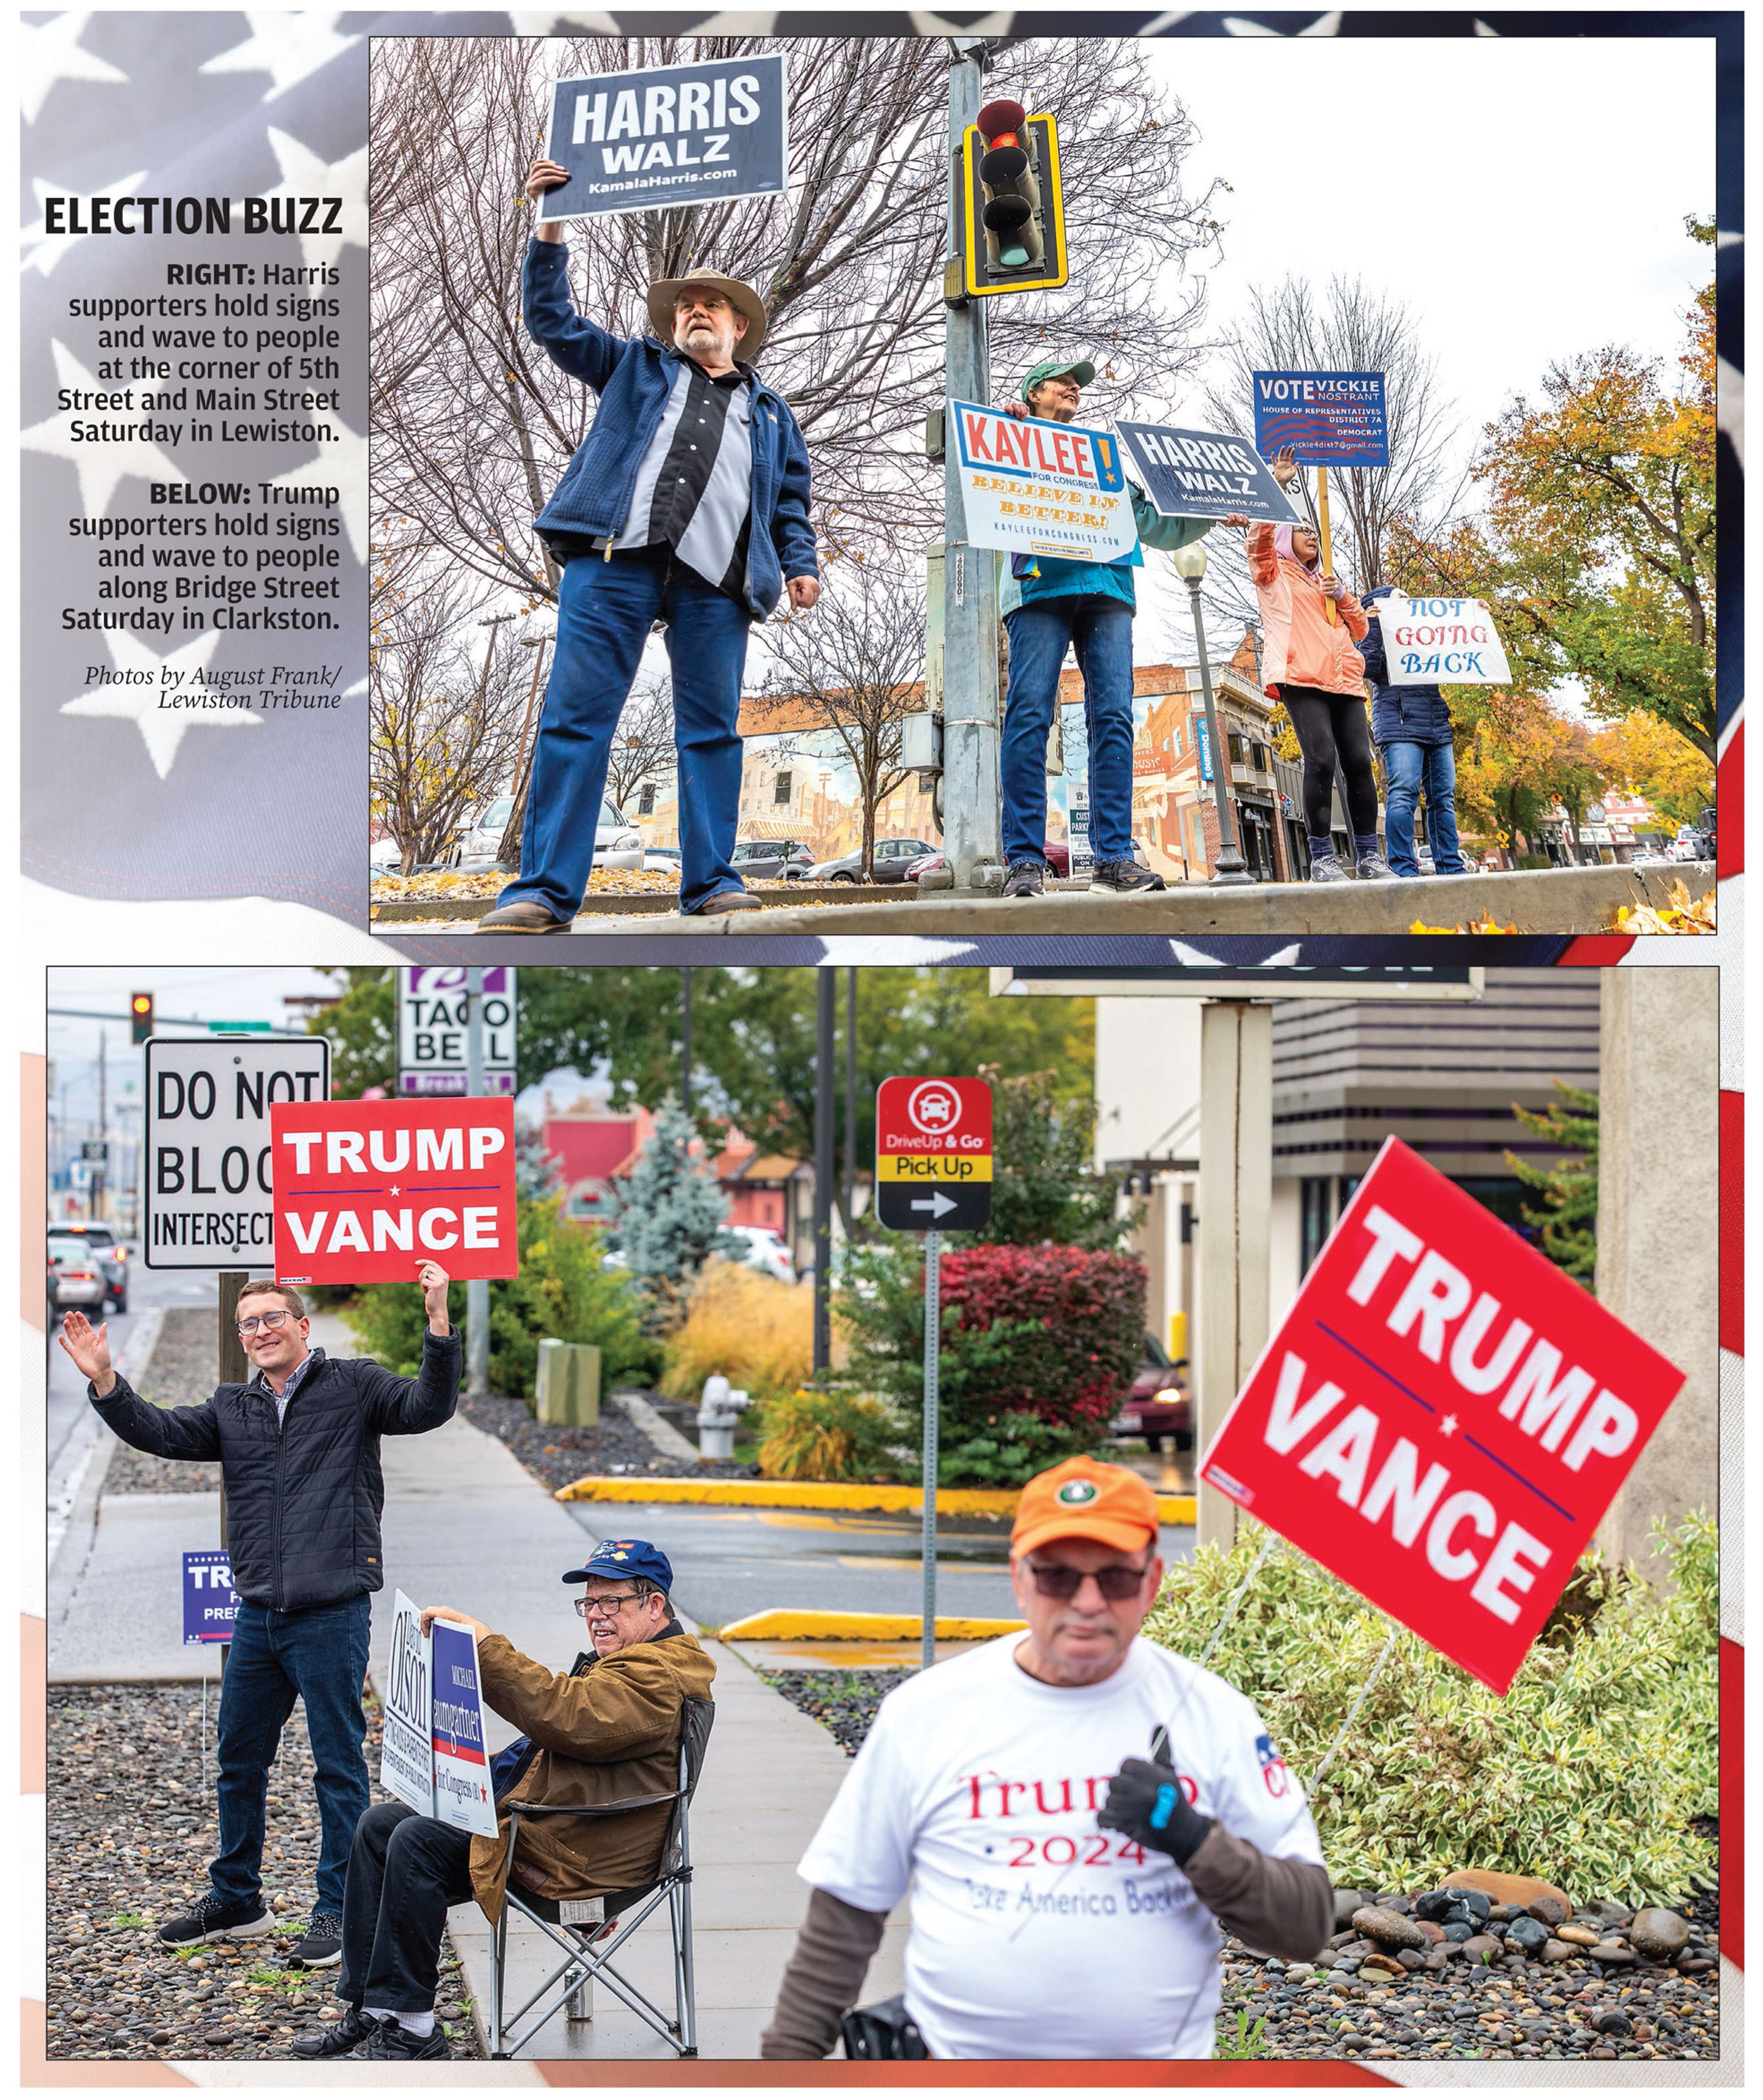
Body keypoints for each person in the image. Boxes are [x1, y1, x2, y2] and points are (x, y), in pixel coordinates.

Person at [760, 1457, 1332, 2061]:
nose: (1087, 1601)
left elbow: (1305, 1925)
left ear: (1153, 1579)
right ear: (1019, 1578)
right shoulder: (926, 1711)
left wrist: (1192, 1837)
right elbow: (843, 1920)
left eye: (1115, 1576)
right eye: (1058, 1575)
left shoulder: (1215, 1715)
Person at [57, 1267, 460, 1970]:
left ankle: (339, 1907)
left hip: (332, 1612)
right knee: (238, 1762)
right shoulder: (231, 1407)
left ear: (304, 1326)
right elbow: (159, 1431)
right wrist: (106, 1382)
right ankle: (238, 1898)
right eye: (249, 1323)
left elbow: (428, 1405)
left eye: (274, 1317)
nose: (261, 1330)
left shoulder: (355, 1386)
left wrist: (438, 1321)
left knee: (338, 1769)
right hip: (257, 1617)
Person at [477, 156, 821, 934]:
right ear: (672, 327)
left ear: (739, 328)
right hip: (613, 562)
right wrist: (552, 224)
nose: (699, 311)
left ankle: (710, 882)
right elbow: (553, 324)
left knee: (711, 728)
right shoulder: (635, 367)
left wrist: (798, 563)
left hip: (717, 581)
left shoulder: (771, 413)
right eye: (687, 306)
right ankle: (542, 892)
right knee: (575, 716)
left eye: (715, 306)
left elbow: (791, 499)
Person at [292, 1541, 715, 2061]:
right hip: (561, 1829)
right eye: (590, 1604)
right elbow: (545, 1747)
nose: (597, 1617)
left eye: (612, 1603)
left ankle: (415, 2031)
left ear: (655, 1606)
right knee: (380, 1825)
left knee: (416, 1841)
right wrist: (452, 1778)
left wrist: (486, 1646)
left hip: (584, 1859)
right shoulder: (635, 1663)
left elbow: (568, 1717)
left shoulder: (658, 1677)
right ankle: (377, 2011)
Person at [995, 361, 1249, 899]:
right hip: (1038, 586)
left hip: (1108, 588)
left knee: (1112, 714)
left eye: (1079, 384)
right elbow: (982, 466)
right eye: (1063, 379)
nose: (1075, 387)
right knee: (1030, 713)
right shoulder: (1012, 435)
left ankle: (1112, 859)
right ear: (1032, 393)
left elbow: (1157, 523)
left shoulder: (1103, 459)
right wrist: (1008, 424)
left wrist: (1213, 509)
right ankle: (1023, 861)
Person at [1241, 449, 1389, 883]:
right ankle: (1323, 857)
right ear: (1288, 537)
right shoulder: (1273, 572)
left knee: (1360, 761)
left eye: (1316, 532)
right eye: (1303, 530)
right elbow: (1257, 541)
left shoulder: (1327, 581)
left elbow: (1361, 629)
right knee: (1321, 758)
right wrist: (1278, 486)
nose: (1312, 536)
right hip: (1300, 674)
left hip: (1342, 679)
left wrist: (1343, 594)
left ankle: (1369, 855)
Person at [1358, 585, 1468, 879]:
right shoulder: (1374, 636)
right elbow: (1367, 667)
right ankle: (1404, 869)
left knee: (1443, 797)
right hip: (1399, 724)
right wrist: (1373, 625)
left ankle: (1451, 867)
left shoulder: (1422, 639)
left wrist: (1475, 617)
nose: (1407, 604)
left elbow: (1458, 643)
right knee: (1404, 793)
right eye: (1399, 601)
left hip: (1436, 723)